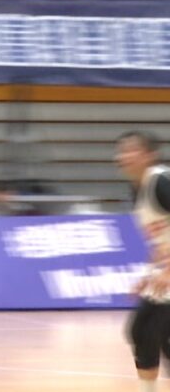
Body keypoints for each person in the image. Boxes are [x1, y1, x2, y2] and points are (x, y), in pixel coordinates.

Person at [115, 130, 170, 392]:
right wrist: (149, 274)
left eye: (131, 150)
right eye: (122, 151)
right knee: (141, 331)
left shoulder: (161, 182)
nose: (124, 156)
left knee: (157, 331)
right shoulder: (137, 189)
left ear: (150, 155)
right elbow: (162, 241)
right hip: (164, 273)